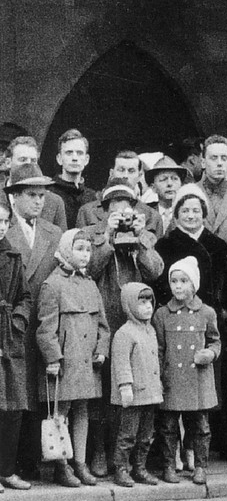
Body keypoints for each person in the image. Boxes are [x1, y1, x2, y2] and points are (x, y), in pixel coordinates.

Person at [154, 184, 227, 461]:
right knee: (177, 392)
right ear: (176, 213)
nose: (191, 215)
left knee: (203, 392)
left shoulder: (218, 245)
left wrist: (224, 311)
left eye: (196, 210)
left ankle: (197, 449)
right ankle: (176, 452)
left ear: (204, 213)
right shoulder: (165, 245)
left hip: (206, 323)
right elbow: (158, 284)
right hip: (177, 324)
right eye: (185, 210)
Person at [81, 177, 163, 478]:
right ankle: (100, 451)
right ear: (105, 210)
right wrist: (108, 234)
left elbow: (155, 271)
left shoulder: (141, 233)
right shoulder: (92, 234)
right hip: (104, 321)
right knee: (102, 394)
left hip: (133, 326)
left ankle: (125, 458)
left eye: (126, 207)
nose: (121, 212)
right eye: (115, 208)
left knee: (130, 395)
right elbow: (89, 267)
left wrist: (140, 237)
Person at [36, 229, 110, 487]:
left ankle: (80, 461)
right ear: (66, 250)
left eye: (88, 250)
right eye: (79, 248)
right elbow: (46, 328)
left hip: (87, 362)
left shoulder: (90, 284)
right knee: (61, 412)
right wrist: (53, 358)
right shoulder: (52, 285)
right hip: (66, 362)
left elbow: (102, 324)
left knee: (83, 410)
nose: (85, 255)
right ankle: (61, 464)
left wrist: (102, 348)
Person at [5, 162, 63, 481]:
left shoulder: (53, 233)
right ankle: (8, 463)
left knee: (37, 393)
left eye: (42, 195)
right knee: (12, 395)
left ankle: (31, 460)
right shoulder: (4, 230)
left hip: (42, 323)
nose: (39, 201)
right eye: (31, 194)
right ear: (14, 197)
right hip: (12, 325)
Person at [153, 256, 220, 486]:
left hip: (198, 379)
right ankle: (169, 466)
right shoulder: (162, 314)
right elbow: (159, 350)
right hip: (172, 377)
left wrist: (210, 354)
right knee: (168, 427)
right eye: (174, 281)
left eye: (184, 281)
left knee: (201, 426)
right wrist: (158, 378)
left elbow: (215, 341)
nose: (178, 286)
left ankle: (201, 466)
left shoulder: (207, 313)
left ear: (194, 284)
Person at [110, 283, 163, 487]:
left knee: (146, 435)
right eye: (141, 302)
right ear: (130, 305)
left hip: (150, 393)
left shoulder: (150, 330)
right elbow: (121, 362)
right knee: (127, 435)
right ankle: (121, 468)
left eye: (150, 301)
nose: (148, 306)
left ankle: (140, 467)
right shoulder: (125, 333)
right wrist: (125, 386)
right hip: (133, 394)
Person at [0, 192, 32, 491]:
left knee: (11, 408)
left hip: (9, 338)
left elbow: (24, 296)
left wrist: (18, 320)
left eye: (3, 220)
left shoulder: (12, 256)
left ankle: (6, 470)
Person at [77, 150, 163, 240]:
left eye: (131, 171)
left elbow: (155, 253)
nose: (125, 176)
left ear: (139, 176)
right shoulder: (87, 211)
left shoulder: (153, 216)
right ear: (111, 173)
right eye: (121, 170)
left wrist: (141, 234)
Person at [2, 136, 67, 231]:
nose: (29, 165)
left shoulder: (54, 202)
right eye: (23, 160)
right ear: (8, 162)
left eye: (33, 161)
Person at [49, 129, 97, 229]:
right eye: (69, 153)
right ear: (59, 159)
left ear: (86, 159)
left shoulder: (93, 197)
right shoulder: (49, 193)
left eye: (79, 153)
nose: (74, 158)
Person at [144, 155, 187, 237]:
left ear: (181, 185)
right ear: (153, 187)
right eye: (163, 179)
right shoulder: (146, 213)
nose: (170, 184)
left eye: (174, 179)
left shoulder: (188, 213)